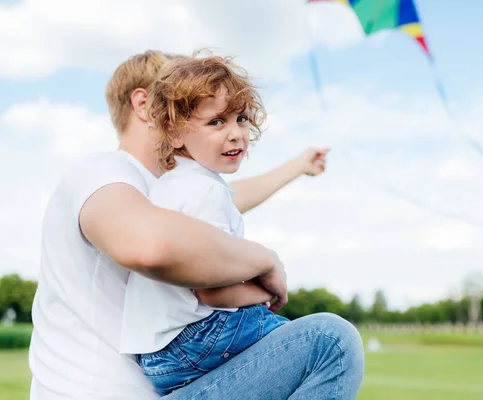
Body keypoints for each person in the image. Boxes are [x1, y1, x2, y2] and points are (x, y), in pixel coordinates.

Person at [29, 50, 364, 400]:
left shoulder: (167, 186)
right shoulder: (102, 171)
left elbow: (228, 201)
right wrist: (266, 261)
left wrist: (298, 165)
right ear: (145, 104)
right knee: (329, 342)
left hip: (168, 385)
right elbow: (153, 246)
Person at [121, 54, 291, 396]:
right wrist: (267, 294)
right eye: (217, 122)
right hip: (193, 339)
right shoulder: (205, 192)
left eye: (241, 119)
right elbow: (213, 291)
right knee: (312, 343)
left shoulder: (171, 183)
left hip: (155, 354)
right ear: (174, 131)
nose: (236, 135)